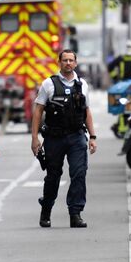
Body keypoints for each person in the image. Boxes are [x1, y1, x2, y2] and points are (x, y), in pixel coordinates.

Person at [31, 50, 97, 228]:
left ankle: (75, 213)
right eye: (65, 60)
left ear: (76, 63)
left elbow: (86, 112)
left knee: (79, 173)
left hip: (76, 136)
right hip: (54, 138)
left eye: (71, 60)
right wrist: (35, 138)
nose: (68, 63)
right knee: (53, 176)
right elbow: (38, 111)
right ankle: (46, 209)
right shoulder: (48, 84)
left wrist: (92, 136)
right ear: (59, 62)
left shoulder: (82, 84)